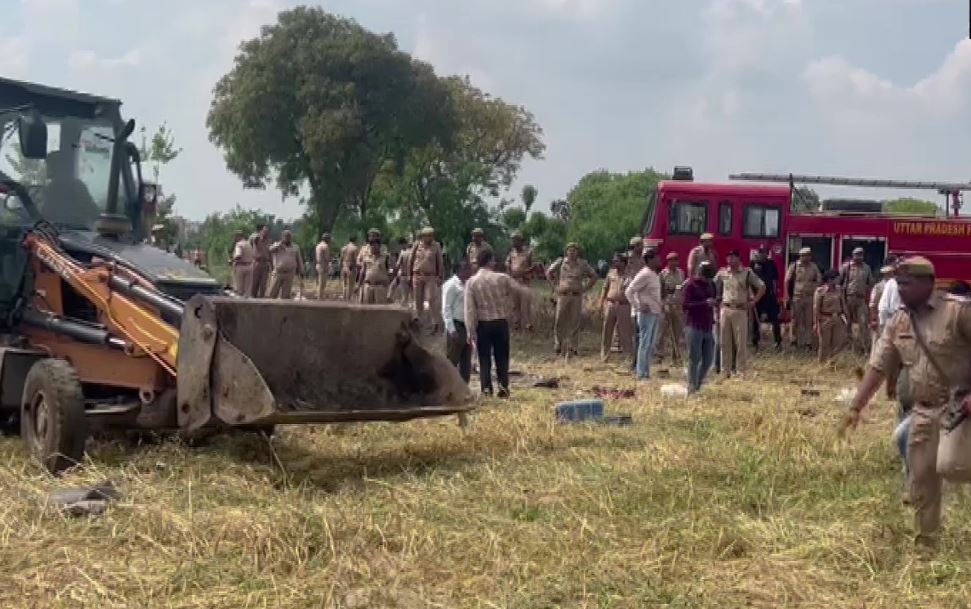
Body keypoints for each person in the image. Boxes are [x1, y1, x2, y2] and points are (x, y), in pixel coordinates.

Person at [842, 256, 971, 549]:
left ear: (928, 283)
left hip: (959, 410)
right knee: (921, 480)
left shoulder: (957, 312)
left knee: (952, 466)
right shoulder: (899, 320)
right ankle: (926, 546)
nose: (900, 289)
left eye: (907, 283)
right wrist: (856, 407)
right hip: (923, 411)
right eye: (898, 283)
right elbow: (878, 366)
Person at [464, 249, 530, 397]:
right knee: (502, 357)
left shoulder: (472, 282)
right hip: (500, 322)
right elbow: (520, 291)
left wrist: (470, 330)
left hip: (483, 324)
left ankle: (486, 389)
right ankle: (503, 387)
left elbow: (469, 309)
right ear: (490, 261)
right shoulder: (502, 278)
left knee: (484, 358)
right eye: (493, 260)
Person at [715, 249, 766, 378]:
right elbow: (712, 285)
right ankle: (725, 370)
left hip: (740, 310)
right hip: (725, 309)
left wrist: (753, 302)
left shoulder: (747, 273)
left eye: (733, 257)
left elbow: (762, 286)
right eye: (728, 257)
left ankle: (740, 370)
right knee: (725, 342)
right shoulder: (722, 273)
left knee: (740, 342)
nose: (730, 260)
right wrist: (716, 301)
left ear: (738, 258)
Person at [547, 243, 598, 356]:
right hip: (563, 295)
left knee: (575, 321)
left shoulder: (583, 264)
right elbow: (549, 272)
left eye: (574, 250)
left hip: (576, 296)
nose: (572, 252)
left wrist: (585, 288)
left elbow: (594, 276)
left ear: (578, 252)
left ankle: (573, 347)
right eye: (570, 250)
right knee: (559, 319)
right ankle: (558, 344)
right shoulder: (560, 262)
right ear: (566, 252)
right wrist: (555, 287)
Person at [626, 249, 663, 380]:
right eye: (657, 258)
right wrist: (638, 306)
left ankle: (646, 372)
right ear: (650, 260)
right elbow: (629, 291)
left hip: (655, 312)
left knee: (651, 344)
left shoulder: (654, 274)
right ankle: (640, 373)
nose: (659, 260)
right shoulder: (644, 274)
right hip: (646, 314)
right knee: (644, 343)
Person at [682, 261, 718, 393]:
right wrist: (704, 303)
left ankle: (698, 382)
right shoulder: (691, 285)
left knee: (708, 359)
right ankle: (692, 386)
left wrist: (714, 302)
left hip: (708, 325)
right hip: (694, 325)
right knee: (694, 357)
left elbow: (714, 298)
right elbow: (685, 306)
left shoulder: (711, 285)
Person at [599, 254, 633, 363]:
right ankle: (604, 355)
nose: (615, 263)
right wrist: (601, 302)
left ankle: (628, 356)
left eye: (617, 261)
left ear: (624, 263)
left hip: (624, 305)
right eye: (614, 261)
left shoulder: (629, 276)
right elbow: (605, 288)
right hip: (610, 304)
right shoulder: (610, 274)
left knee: (625, 332)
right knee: (607, 330)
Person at [785, 247, 821, 349]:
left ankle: (808, 342)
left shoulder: (814, 267)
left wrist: (815, 288)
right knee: (795, 320)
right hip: (797, 297)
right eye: (803, 255)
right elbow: (787, 280)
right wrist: (787, 295)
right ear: (800, 256)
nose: (806, 257)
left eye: (808, 255)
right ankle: (793, 341)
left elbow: (819, 279)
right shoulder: (794, 266)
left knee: (808, 321)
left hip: (809, 297)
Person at [840, 247, 875, 352]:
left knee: (863, 323)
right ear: (853, 256)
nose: (859, 257)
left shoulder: (867, 268)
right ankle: (848, 346)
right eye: (857, 255)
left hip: (861, 299)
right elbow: (839, 282)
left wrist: (866, 290)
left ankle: (864, 348)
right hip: (848, 298)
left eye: (861, 255)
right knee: (847, 323)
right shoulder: (846, 267)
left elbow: (871, 282)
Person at [410, 227, 445, 333]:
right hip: (417, 275)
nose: (429, 238)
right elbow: (411, 260)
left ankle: (435, 324)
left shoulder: (436, 246)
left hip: (431, 276)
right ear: (423, 236)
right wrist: (409, 275)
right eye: (427, 235)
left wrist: (440, 277)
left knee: (431, 299)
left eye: (431, 235)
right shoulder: (417, 245)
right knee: (418, 300)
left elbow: (440, 262)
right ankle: (418, 322)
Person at [442, 262, 473, 383]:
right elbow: (446, 308)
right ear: (459, 270)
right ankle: (447, 386)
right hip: (456, 325)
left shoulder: (467, 285)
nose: (469, 272)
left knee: (466, 360)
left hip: (467, 326)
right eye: (466, 269)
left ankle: (464, 387)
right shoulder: (451, 285)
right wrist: (451, 329)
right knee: (452, 360)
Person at [751, 247, 782, 352]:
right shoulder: (753, 264)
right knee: (756, 321)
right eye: (760, 253)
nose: (762, 255)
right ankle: (755, 343)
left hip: (770, 296)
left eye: (764, 253)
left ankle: (778, 343)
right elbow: (749, 280)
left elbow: (775, 280)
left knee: (775, 321)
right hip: (758, 296)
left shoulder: (771, 264)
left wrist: (777, 295)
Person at [813, 270, 847, 363]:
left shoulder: (839, 290)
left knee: (837, 342)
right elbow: (816, 308)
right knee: (824, 343)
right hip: (825, 318)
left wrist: (846, 317)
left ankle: (833, 363)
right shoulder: (820, 291)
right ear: (830, 279)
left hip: (838, 318)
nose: (838, 280)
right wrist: (816, 323)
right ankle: (822, 363)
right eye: (836, 278)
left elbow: (843, 304)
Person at [658, 252, 686, 364]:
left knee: (677, 333)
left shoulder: (681, 273)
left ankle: (676, 357)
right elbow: (660, 290)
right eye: (671, 260)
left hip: (677, 305)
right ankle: (659, 355)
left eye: (676, 260)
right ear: (668, 261)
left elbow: (681, 286)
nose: (674, 262)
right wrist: (663, 303)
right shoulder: (663, 274)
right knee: (662, 332)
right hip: (666, 304)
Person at [505, 231, 535, 331]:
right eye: (512, 240)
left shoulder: (529, 252)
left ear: (521, 241)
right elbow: (507, 262)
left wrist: (524, 272)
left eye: (515, 240)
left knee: (525, 304)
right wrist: (509, 269)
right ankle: (516, 324)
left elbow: (534, 266)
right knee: (514, 304)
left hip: (524, 281)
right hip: (514, 281)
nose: (513, 242)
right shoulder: (512, 252)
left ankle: (528, 324)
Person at [625, 237, 645, 370]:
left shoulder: (643, 259)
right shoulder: (628, 259)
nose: (642, 247)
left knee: (640, 331)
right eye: (640, 245)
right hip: (632, 294)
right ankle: (634, 359)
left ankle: (638, 360)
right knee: (635, 331)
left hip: (642, 294)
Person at [267, 230, 303, 299]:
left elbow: (299, 260)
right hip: (278, 273)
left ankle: (283, 309)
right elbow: (270, 250)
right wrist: (280, 244)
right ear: (282, 237)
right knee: (272, 293)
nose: (287, 238)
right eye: (286, 236)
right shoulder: (277, 245)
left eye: (289, 236)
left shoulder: (295, 247)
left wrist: (301, 271)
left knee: (285, 295)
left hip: (289, 274)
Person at [358, 235, 391, 304]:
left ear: (379, 246)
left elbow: (390, 271)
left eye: (375, 246)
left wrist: (389, 283)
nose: (373, 247)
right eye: (371, 246)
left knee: (379, 310)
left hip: (380, 287)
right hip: (368, 286)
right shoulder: (366, 257)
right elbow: (362, 272)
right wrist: (358, 285)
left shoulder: (385, 257)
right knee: (367, 309)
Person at [249, 223, 272, 298]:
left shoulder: (269, 241)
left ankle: (261, 300)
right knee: (254, 283)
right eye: (264, 231)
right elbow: (252, 238)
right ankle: (252, 297)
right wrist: (259, 235)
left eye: (267, 231)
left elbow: (270, 253)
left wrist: (271, 265)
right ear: (261, 231)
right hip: (257, 263)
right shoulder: (256, 238)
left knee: (263, 285)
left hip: (265, 264)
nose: (266, 233)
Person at [231, 230, 255, 297]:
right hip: (249, 266)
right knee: (247, 289)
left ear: (238, 236)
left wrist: (232, 260)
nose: (234, 238)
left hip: (240, 266)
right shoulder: (249, 244)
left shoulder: (239, 244)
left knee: (239, 288)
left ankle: (239, 303)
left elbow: (238, 255)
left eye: (235, 237)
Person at [394, 237, 414, 307]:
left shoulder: (403, 252)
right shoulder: (412, 251)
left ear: (404, 244)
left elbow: (397, 265)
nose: (401, 246)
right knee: (411, 297)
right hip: (411, 276)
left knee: (404, 297)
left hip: (404, 276)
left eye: (401, 245)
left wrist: (395, 272)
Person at [339, 236, 360, 301]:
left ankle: (344, 297)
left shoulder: (344, 248)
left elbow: (341, 259)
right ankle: (348, 299)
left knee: (344, 284)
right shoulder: (354, 248)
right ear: (355, 240)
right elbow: (356, 259)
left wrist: (340, 267)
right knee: (351, 285)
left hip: (344, 266)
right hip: (351, 267)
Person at [314, 232, 332, 300]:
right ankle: (320, 298)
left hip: (318, 264)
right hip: (323, 265)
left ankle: (319, 296)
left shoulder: (318, 246)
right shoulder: (325, 246)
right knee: (322, 284)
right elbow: (327, 258)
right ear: (327, 239)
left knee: (319, 283)